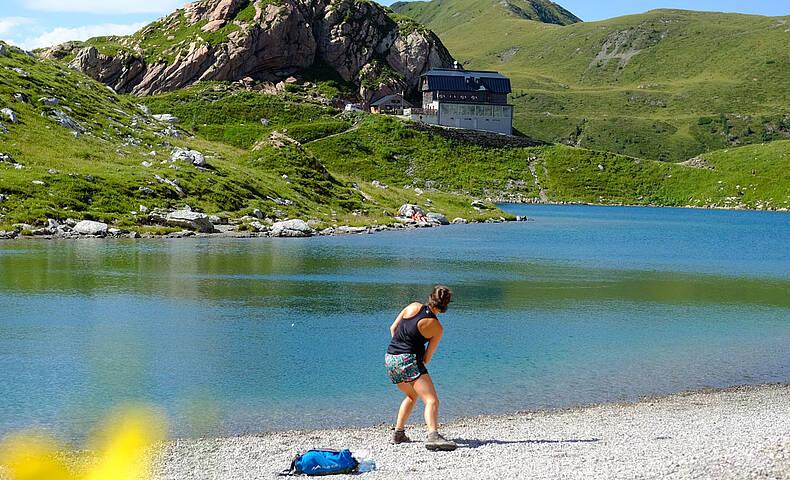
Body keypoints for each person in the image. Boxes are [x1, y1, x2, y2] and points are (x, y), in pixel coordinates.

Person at [385, 285, 457, 451]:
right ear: (446, 305)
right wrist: (411, 359)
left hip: (390, 358)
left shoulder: (413, 306)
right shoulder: (436, 327)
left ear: (431, 297)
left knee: (411, 395)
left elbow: (393, 328)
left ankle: (398, 433)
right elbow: (426, 358)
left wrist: (398, 350)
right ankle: (433, 436)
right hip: (409, 360)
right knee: (431, 400)